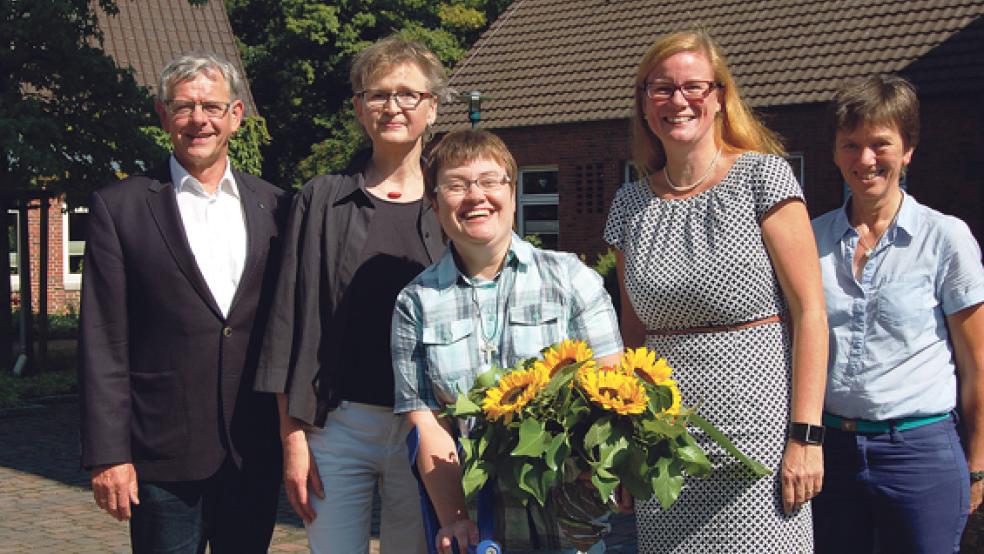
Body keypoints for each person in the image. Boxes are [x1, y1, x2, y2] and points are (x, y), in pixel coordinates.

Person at [604, 29, 828, 552]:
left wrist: (806, 437)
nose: (677, 101)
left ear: (720, 96)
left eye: (693, 87)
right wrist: (624, 445)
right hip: (666, 453)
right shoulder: (628, 206)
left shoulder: (764, 179)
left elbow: (812, 314)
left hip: (763, 451)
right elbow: (632, 339)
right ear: (643, 103)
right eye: (660, 89)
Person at [78, 52, 288, 553]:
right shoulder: (120, 207)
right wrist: (109, 454)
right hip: (161, 454)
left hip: (252, 450)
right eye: (185, 107)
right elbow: (103, 340)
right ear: (162, 115)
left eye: (213, 107)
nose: (200, 120)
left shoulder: (279, 206)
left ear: (236, 115)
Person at [391, 128, 628, 554]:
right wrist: (454, 518)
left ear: (512, 193)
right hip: (479, 520)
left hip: (569, 511)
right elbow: (426, 421)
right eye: (456, 184)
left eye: (489, 181)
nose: (475, 196)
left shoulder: (572, 279)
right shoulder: (416, 302)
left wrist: (594, 482)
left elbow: (611, 388)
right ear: (433, 202)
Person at [254, 36, 446, 553]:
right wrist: (291, 437)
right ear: (359, 108)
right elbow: (285, 321)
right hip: (336, 425)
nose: (393, 107)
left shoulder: (453, 198)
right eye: (377, 94)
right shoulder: (321, 197)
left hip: (427, 425)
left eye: (408, 94)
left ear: (431, 106)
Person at [811, 75, 984, 553]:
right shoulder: (810, 240)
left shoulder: (945, 239)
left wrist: (978, 465)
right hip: (831, 454)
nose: (865, 160)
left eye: (880, 144)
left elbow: (977, 366)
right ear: (835, 153)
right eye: (851, 145)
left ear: (908, 150)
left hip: (920, 453)